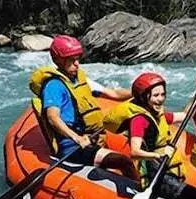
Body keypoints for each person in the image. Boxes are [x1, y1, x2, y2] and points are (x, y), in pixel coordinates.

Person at [28, 35, 136, 178]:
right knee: (124, 162)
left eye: (78, 59)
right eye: (72, 60)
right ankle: (139, 188)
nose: (77, 64)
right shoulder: (53, 86)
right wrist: (77, 138)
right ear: (58, 60)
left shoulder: (79, 79)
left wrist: (139, 91)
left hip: (92, 138)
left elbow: (114, 94)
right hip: (72, 147)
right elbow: (53, 118)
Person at [103, 72, 196, 199]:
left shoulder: (157, 115)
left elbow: (185, 115)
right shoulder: (139, 120)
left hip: (167, 171)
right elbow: (135, 152)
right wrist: (159, 155)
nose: (160, 99)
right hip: (155, 175)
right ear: (143, 97)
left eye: (163, 95)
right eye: (156, 95)